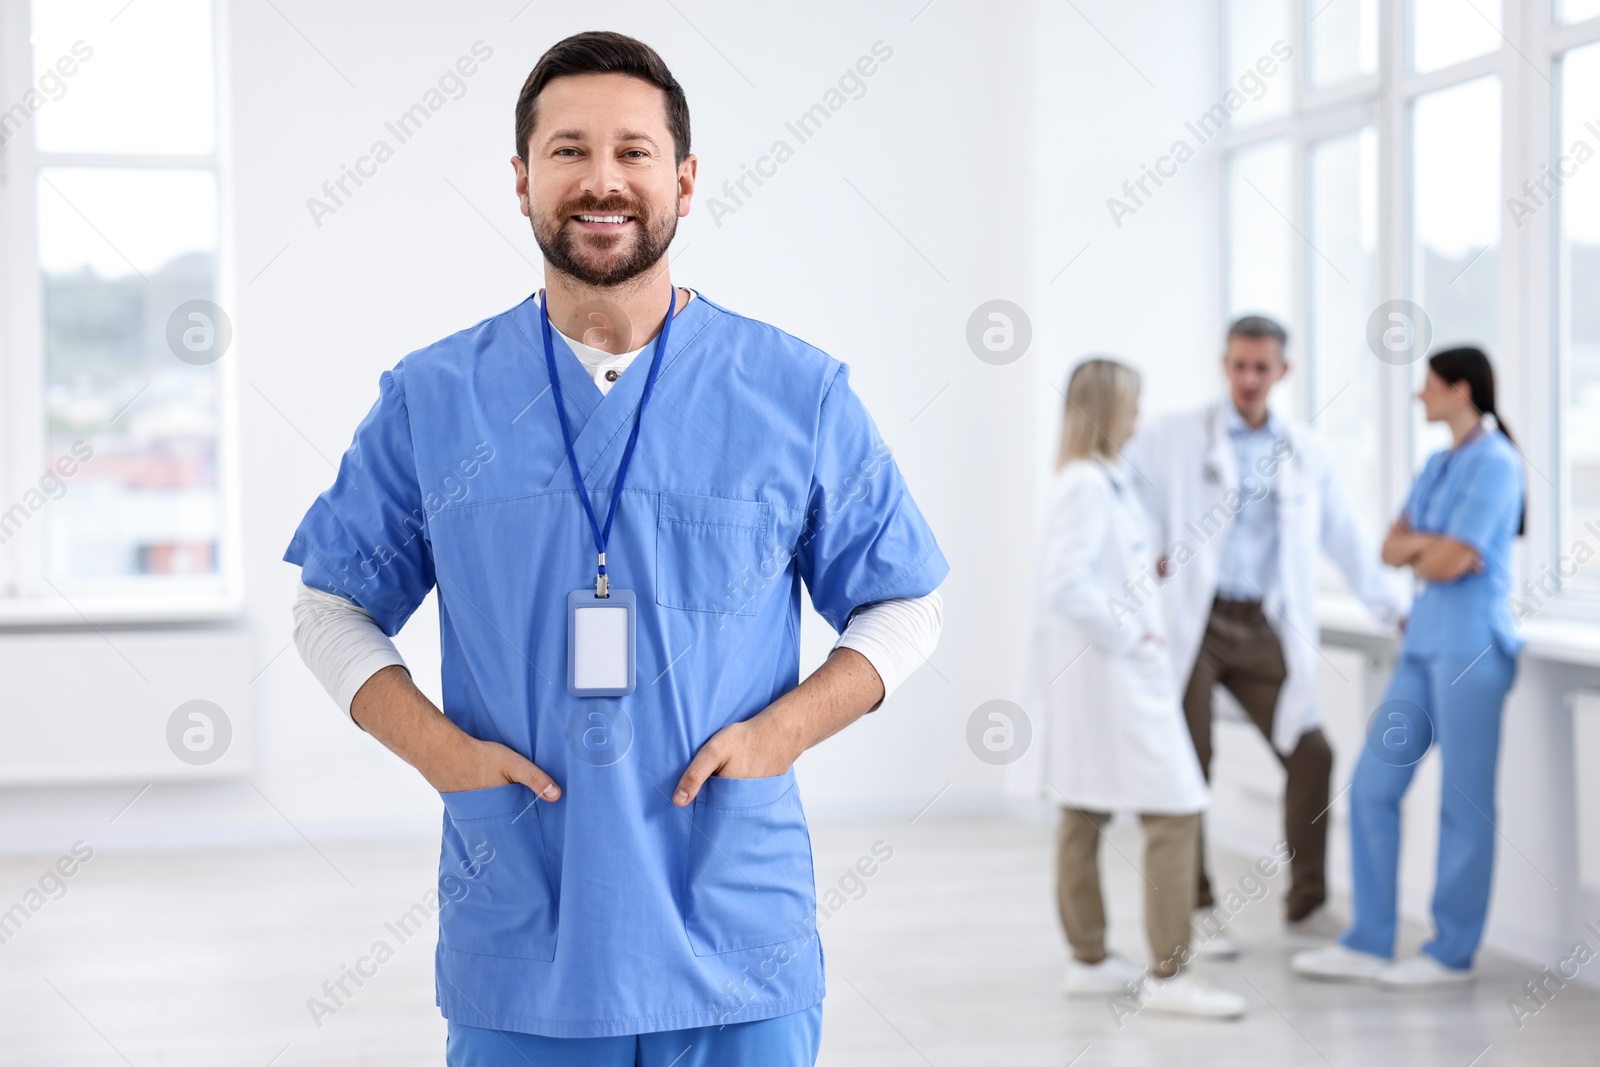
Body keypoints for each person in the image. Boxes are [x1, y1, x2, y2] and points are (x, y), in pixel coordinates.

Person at [284, 32, 947, 1066]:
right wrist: (441, 754)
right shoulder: (435, 397)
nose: (603, 180)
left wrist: (783, 732)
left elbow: (905, 602)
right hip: (524, 930)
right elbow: (330, 605)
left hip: (736, 930)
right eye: (568, 150)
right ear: (521, 181)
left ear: (683, 178)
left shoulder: (794, 393)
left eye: (634, 152)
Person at [1123, 315, 1407, 954]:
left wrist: (1393, 606)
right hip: (1195, 620)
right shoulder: (1174, 435)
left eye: (1262, 367)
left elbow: (1346, 538)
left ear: (1284, 372)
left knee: (1313, 753)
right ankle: (1197, 906)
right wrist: (1148, 553)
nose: (1249, 378)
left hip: (1263, 624)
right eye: (1238, 365)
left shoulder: (1305, 451)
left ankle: (1306, 903)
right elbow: (1127, 497)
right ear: (1224, 365)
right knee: (1187, 758)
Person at [1293, 346, 1524, 989]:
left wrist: (1426, 550)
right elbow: (1391, 547)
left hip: (1474, 648)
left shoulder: (1499, 463)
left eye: (1427, 386)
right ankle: (1369, 939)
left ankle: (1451, 952)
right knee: (1372, 787)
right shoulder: (1435, 464)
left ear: (1458, 389)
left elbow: (1448, 562)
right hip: (1421, 646)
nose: (1419, 396)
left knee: (1464, 803)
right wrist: (1430, 548)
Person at [1038, 357, 1245, 1019]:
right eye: (1133, 404)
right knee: (1177, 809)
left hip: (1107, 680)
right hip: (1115, 676)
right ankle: (1169, 973)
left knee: (1085, 806)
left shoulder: (1101, 481)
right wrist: (1132, 635)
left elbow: (1096, 570)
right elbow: (1067, 584)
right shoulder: (1086, 486)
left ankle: (1089, 959)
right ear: (1109, 411)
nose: (1140, 417)